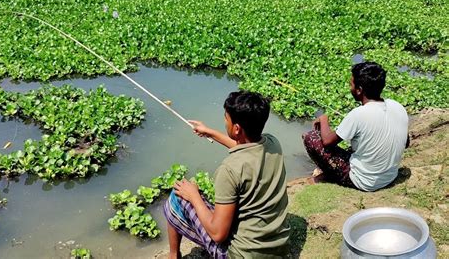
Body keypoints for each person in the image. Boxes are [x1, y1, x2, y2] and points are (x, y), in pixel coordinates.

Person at [163, 91, 290, 258]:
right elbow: (246, 148)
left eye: (226, 118)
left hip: (241, 255)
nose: (224, 121)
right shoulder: (273, 143)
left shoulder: (229, 169)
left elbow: (218, 234)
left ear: (236, 128)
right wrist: (210, 132)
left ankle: (173, 255)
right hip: (278, 247)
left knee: (177, 196)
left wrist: (194, 196)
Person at [302, 61, 409, 192]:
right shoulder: (396, 106)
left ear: (359, 90)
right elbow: (406, 142)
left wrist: (324, 119)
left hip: (365, 182)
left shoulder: (358, 114)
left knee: (310, 137)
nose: (350, 88)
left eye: (351, 84)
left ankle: (329, 175)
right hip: (390, 176)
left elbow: (327, 141)